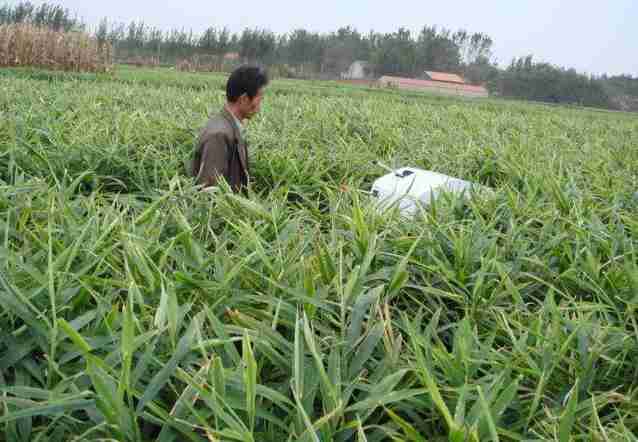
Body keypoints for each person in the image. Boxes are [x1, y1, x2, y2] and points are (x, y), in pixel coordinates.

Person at [191, 65, 269, 193]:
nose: (260, 104)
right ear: (244, 99)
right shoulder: (219, 136)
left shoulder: (230, 126)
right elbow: (209, 194)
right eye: (259, 98)